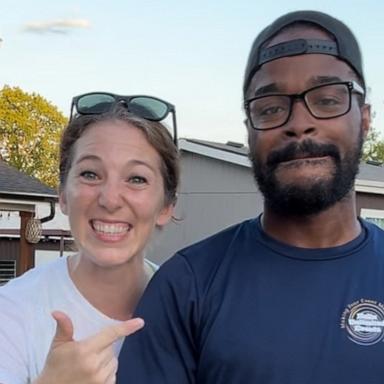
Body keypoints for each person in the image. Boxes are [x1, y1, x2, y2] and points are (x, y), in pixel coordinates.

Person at [117, 10, 384, 383]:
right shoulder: (188, 286)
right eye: (271, 107)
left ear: (366, 118)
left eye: (327, 100)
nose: (298, 123)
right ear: (249, 131)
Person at [0, 93, 179, 383]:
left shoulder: (188, 309)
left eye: (136, 178)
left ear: (167, 205)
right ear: (63, 196)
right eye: (90, 174)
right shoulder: (11, 312)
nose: (110, 200)